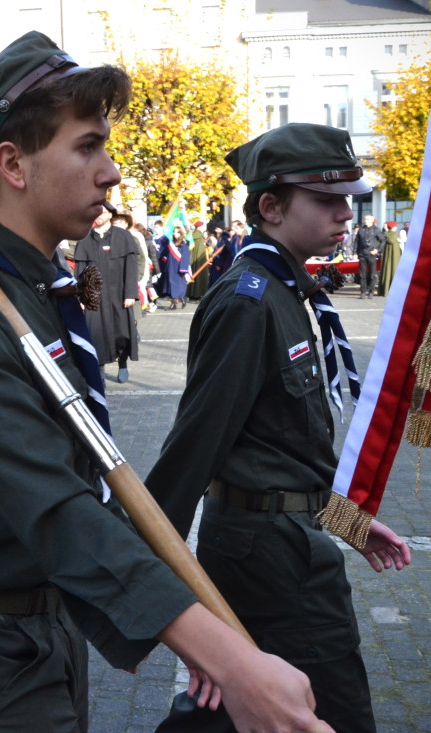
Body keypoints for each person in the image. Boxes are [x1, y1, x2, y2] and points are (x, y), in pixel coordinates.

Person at [0, 31, 334, 733]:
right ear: (14, 165)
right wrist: (227, 654)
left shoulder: (37, 298)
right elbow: (56, 505)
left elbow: (93, 481)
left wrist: (196, 626)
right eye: (88, 147)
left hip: (43, 634)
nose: (112, 171)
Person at [146, 122, 411, 733]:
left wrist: (349, 521)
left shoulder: (291, 290)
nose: (347, 212)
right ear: (270, 206)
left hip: (285, 546)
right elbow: (192, 453)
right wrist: (167, 606)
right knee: (328, 711)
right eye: (327, 199)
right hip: (268, 562)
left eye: (349, 198)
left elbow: (281, 449)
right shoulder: (249, 301)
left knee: (241, 713)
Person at [73, 203, 139, 382]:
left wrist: (130, 293)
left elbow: (132, 266)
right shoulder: (85, 239)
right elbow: (80, 271)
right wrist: (81, 297)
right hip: (95, 297)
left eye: (103, 212)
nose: (99, 215)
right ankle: (99, 373)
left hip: (119, 295)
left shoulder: (124, 237)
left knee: (123, 334)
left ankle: (122, 362)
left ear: (110, 215)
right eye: (96, 212)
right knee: (95, 334)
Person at [160, 223, 191, 309]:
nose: (174, 234)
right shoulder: (171, 243)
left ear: (181, 234)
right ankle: (178, 299)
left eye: (177, 232)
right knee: (171, 285)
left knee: (178, 285)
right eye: (174, 232)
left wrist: (183, 269)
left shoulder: (184, 244)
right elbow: (166, 254)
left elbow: (185, 257)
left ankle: (176, 301)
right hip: (171, 267)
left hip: (178, 267)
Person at [355, 213, 383, 299]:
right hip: (362, 254)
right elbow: (357, 242)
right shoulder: (361, 229)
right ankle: (363, 292)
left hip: (371, 254)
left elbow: (383, 240)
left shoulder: (376, 230)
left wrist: (377, 250)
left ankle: (371, 291)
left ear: (372, 220)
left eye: (367, 219)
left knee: (372, 274)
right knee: (362, 275)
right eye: (365, 219)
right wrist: (355, 253)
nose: (365, 221)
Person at [378, 220, 402, 297]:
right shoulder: (391, 234)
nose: (396, 228)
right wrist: (387, 231)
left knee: (391, 271)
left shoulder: (392, 234)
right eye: (395, 226)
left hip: (394, 257)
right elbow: (390, 240)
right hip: (390, 257)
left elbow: (391, 240)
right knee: (389, 271)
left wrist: (386, 231)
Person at [187, 219, 209, 298]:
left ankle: (193, 293)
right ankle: (197, 293)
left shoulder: (194, 234)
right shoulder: (199, 235)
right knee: (199, 274)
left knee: (195, 272)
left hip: (195, 257)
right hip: (199, 258)